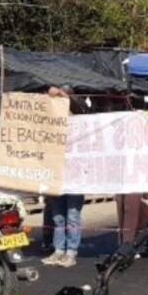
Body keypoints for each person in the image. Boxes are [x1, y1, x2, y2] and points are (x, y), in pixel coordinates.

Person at [42, 87, 87, 268]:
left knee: (72, 215)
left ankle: (71, 252)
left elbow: (81, 107)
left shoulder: (79, 123)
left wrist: (64, 95)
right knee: (58, 216)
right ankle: (59, 250)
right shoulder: (49, 125)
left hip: (75, 177)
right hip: (56, 176)